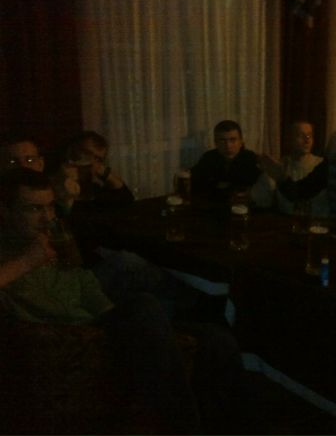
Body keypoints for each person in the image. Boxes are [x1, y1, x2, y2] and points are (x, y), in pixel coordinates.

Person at [0, 167, 201, 434]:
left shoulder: (53, 238)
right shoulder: (9, 251)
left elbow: (84, 282)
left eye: (49, 207)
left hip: (94, 327)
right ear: (5, 211)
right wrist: (27, 261)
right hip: (60, 342)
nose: (46, 218)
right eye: (34, 209)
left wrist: (109, 315)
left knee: (214, 338)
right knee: (143, 304)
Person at [251, 120, 328, 215]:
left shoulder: (322, 166)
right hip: (286, 220)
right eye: (301, 135)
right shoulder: (281, 165)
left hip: (317, 221)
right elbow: (260, 200)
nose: (307, 140)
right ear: (290, 139)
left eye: (310, 135)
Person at [191, 120, 262, 203]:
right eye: (222, 140)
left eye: (233, 140)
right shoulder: (208, 157)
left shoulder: (250, 159)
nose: (228, 145)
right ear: (216, 143)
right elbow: (196, 183)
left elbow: (256, 189)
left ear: (241, 142)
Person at [63, 131, 135, 209]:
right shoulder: (59, 184)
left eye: (98, 159)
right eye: (87, 154)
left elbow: (128, 202)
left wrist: (106, 173)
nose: (92, 162)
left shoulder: (94, 190)